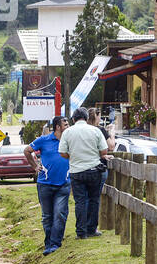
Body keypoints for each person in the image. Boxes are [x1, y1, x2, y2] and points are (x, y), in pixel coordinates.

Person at [58, 107, 110, 240]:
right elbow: (104, 151)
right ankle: (92, 229)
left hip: (76, 171)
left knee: (80, 202)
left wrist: (74, 156)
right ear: (87, 118)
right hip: (94, 169)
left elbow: (62, 152)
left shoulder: (68, 132)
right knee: (94, 200)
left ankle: (81, 232)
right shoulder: (95, 130)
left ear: (73, 119)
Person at [26, 115, 69, 255]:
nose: (68, 126)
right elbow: (27, 150)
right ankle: (48, 243)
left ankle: (55, 244)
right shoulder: (43, 140)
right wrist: (34, 166)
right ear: (58, 127)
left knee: (60, 214)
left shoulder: (69, 140)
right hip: (44, 184)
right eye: (65, 124)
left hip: (63, 184)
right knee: (47, 216)